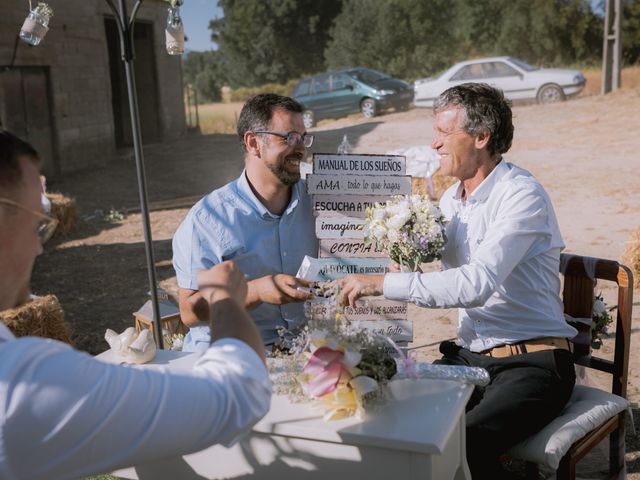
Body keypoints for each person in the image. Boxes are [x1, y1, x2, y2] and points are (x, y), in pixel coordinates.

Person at [334, 83, 577, 478]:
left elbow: (475, 284)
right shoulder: (451, 201)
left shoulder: (522, 196)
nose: (434, 144)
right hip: (469, 357)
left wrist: (382, 283)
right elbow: (429, 269)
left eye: (444, 134)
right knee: (394, 421)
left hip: (531, 364)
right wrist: (402, 256)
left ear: (482, 137)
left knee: (463, 442)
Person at [0, 130, 271, 479]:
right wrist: (225, 299)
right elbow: (237, 395)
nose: (39, 249)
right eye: (37, 226)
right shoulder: (24, 383)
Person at [173, 93, 318, 352]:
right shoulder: (207, 220)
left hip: (304, 350)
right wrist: (256, 292)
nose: (301, 148)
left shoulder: (319, 203)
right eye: (289, 138)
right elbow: (190, 311)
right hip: (233, 354)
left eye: (304, 137)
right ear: (253, 143)